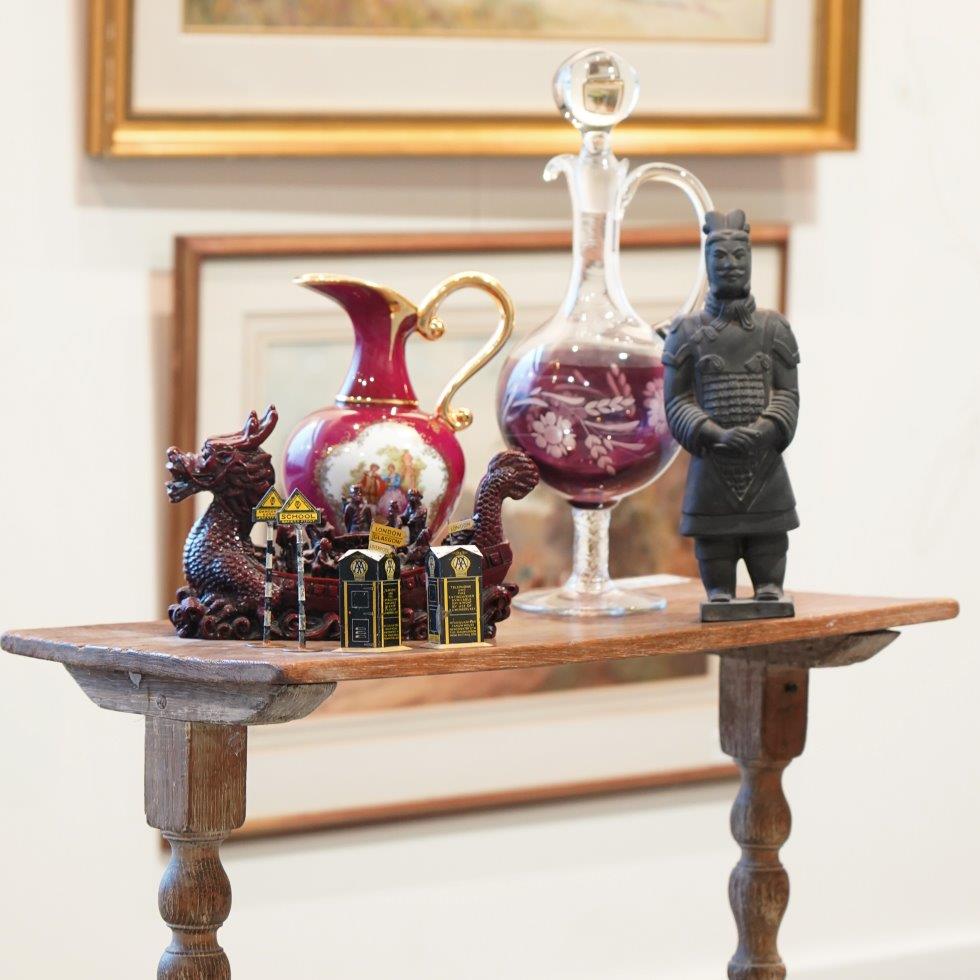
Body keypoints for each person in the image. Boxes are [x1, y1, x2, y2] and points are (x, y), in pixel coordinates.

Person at [662, 209, 799, 606]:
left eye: (740, 255)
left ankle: (769, 585)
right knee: (714, 541)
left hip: (764, 460)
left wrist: (766, 429)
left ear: (750, 260)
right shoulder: (685, 332)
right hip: (713, 461)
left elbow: (788, 393)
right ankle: (719, 589)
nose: (730, 264)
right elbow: (676, 399)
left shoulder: (774, 328)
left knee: (769, 537)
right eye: (720, 256)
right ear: (707, 263)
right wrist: (712, 433)